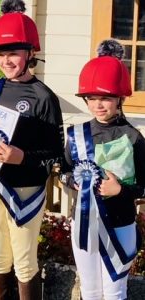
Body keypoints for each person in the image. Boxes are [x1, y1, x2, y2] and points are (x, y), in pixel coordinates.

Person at [0, 0, 64, 298]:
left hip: (25, 191)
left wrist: (21, 157)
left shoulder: (44, 97)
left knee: (24, 262)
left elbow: (56, 154)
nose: (5, 61)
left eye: (12, 53)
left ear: (30, 53)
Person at [60, 39, 145, 300]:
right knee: (90, 290)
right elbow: (63, 170)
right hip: (84, 223)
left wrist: (120, 189)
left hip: (120, 224)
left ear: (119, 98)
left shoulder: (133, 138)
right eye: (91, 98)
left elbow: (143, 185)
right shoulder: (76, 135)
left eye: (106, 98)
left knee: (114, 291)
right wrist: (72, 181)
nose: (98, 104)